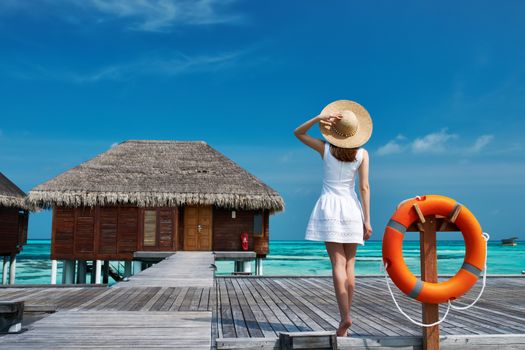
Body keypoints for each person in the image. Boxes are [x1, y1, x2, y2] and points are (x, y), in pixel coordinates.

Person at [293, 100, 373, 336]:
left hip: (329, 207)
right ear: (355, 132)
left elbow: (298, 132)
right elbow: (365, 187)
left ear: (334, 132)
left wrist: (318, 118)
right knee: (350, 265)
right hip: (351, 209)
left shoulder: (326, 149)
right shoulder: (362, 154)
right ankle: (346, 321)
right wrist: (367, 220)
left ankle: (344, 317)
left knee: (337, 265)